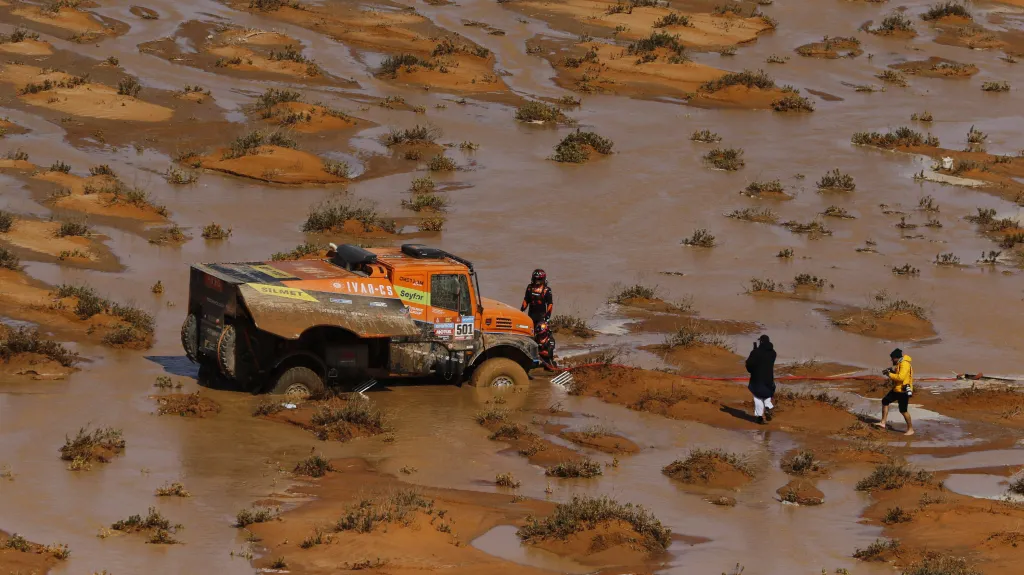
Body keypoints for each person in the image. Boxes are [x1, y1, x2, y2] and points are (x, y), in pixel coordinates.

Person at [877, 348, 914, 436]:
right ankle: (883, 423)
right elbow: (899, 375)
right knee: (885, 401)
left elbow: (901, 378)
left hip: (903, 391)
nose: (891, 360)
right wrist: (892, 371)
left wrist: (889, 374)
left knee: (903, 411)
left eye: (892, 358)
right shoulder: (900, 363)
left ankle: (911, 429)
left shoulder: (904, 364)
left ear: (896, 358)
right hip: (897, 389)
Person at [745, 334, 776, 425]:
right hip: (769, 378)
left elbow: (750, 365)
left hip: (757, 378)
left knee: (757, 396)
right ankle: (768, 406)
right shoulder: (773, 353)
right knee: (767, 393)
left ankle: (759, 417)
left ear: (761, 342)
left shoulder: (756, 352)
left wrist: (753, 353)